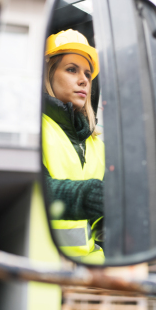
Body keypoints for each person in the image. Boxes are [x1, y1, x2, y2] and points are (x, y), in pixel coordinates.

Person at [41, 29, 105, 264]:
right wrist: (87, 196)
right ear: (48, 74)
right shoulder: (35, 128)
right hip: (41, 265)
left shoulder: (97, 145)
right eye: (71, 69)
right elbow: (38, 190)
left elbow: (102, 226)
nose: (84, 80)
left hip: (90, 271)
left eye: (88, 74)